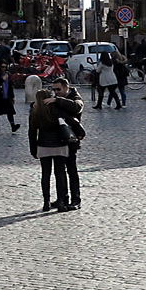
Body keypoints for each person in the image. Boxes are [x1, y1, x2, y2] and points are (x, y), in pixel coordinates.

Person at [27, 89, 71, 212]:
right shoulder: (56, 109)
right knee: (60, 174)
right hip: (59, 145)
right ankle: (61, 202)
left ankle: (46, 202)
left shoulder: (35, 111)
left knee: (45, 175)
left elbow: (32, 132)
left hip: (43, 145)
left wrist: (33, 149)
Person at [49, 78, 84, 209]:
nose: (56, 92)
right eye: (54, 90)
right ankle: (62, 198)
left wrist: (57, 101)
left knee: (72, 170)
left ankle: (76, 199)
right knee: (59, 171)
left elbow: (77, 107)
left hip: (71, 139)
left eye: (58, 89)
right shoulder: (55, 98)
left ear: (66, 88)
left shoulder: (76, 98)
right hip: (58, 140)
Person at [0, 61, 21, 133]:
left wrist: (12, 96)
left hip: (6, 96)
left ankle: (13, 126)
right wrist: (2, 79)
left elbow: (10, 86)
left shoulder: (8, 74)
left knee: (9, 111)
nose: (4, 68)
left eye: (5, 67)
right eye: (2, 67)